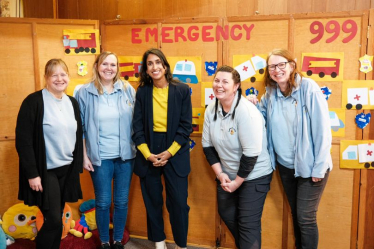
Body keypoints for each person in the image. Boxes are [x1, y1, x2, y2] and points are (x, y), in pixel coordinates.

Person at [248, 49, 332, 249]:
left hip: (311, 166)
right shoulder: (270, 93)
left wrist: (319, 167)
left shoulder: (308, 88)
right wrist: (252, 105)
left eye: (281, 65)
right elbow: (261, 120)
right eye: (272, 67)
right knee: (297, 214)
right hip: (286, 166)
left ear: (292, 66)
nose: (277, 70)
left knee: (305, 217)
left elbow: (322, 130)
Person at [202, 65, 273, 249]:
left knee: (247, 224)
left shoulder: (247, 112)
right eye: (217, 80)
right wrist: (220, 174)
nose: (219, 85)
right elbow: (207, 146)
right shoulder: (211, 109)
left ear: (236, 86)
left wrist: (236, 182)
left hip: (255, 174)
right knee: (226, 213)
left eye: (225, 82)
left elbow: (251, 155)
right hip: (227, 173)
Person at [16, 59, 83, 249]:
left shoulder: (72, 102)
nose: (59, 79)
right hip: (46, 172)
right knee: (53, 219)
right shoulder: (33, 102)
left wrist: (79, 164)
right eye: (54, 75)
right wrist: (32, 174)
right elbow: (24, 141)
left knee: (57, 217)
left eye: (63, 74)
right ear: (46, 78)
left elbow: (78, 135)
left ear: (68, 77)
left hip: (66, 169)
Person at [132, 48, 192, 249]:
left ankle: (181, 244)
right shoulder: (142, 92)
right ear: (146, 69)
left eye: (158, 62)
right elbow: (137, 127)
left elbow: (185, 127)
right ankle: (159, 242)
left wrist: (170, 152)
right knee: (153, 201)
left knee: (178, 204)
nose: (154, 67)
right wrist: (148, 155)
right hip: (148, 149)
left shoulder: (182, 90)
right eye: (150, 64)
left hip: (175, 149)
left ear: (165, 66)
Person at [76, 51, 136, 249]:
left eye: (113, 65)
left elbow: (137, 122)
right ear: (96, 66)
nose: (109, 68)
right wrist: (84, 156)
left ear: (117, 68)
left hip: (125, 156)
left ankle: (117, 240)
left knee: (121, 201)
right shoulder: (84, 92)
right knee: (102, 202)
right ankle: (104, 242)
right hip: (99, 158)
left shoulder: (127, 89)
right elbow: (81, 128)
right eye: (105, 64)